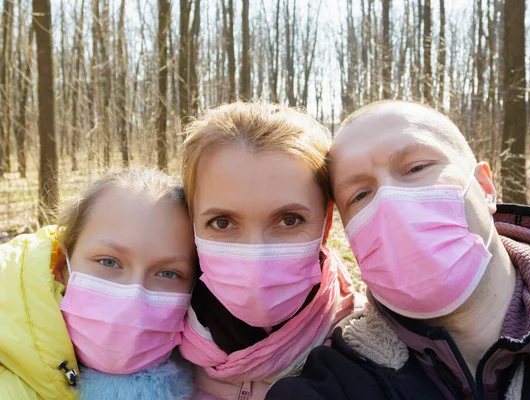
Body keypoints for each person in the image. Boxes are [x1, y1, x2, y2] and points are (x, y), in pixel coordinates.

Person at [266, 101, 530, 399]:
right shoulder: (338, 377)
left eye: (416, 168)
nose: (391, 203)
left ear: (485, 187)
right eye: (360, 195)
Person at [179, 102, 360, 400]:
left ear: (326, 226)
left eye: (289, 220)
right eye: (222, 222)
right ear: (193, 224)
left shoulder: (372, 356)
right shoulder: (150, 342)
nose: (256, 256)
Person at [0, 169, 197, 400]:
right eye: (109, 261)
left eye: (167, 273)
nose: (131, 302)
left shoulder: (212, 382)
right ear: (62, 264)